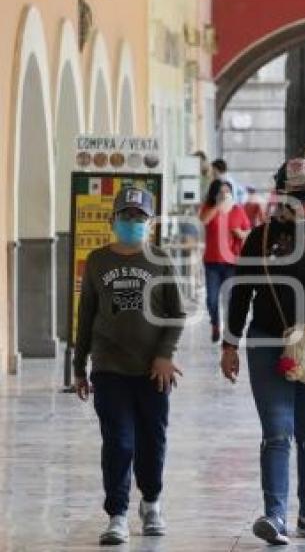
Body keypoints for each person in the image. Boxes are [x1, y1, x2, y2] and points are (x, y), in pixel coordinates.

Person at [221, 158, 305, 545]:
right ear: (280, 193)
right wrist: (229, 344)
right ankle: (276, 514)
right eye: (298, 192)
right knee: (277, 432)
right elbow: (241, 293)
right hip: (268, 342)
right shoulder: (260, 238)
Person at [73, 187, 185, 546]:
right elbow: (86, 313)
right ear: (113, 219)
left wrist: (165, 354)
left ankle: (151, 503)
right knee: (118, 441)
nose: (132, 223)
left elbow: (176, 313)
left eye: (140, 217)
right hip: (109, 366)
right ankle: (117, 513)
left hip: (154, 369)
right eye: (126, 216)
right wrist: (79, 366)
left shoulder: (161, 260)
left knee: (153, 439)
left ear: (150, 223)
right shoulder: (97, 260)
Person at [200, 179, 251, 343]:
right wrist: (218, 206)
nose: (224, 194)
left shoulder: (238, 210)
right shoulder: (209, 208)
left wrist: (240, 234)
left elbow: (248, 231)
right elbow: (204, 221)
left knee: (229, 299)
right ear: (214, 194)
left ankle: (229, 332)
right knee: (211, 299)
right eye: (221, 192)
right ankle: (215, 324)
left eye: (227, 191)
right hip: (212, 262)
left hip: (231, 263)